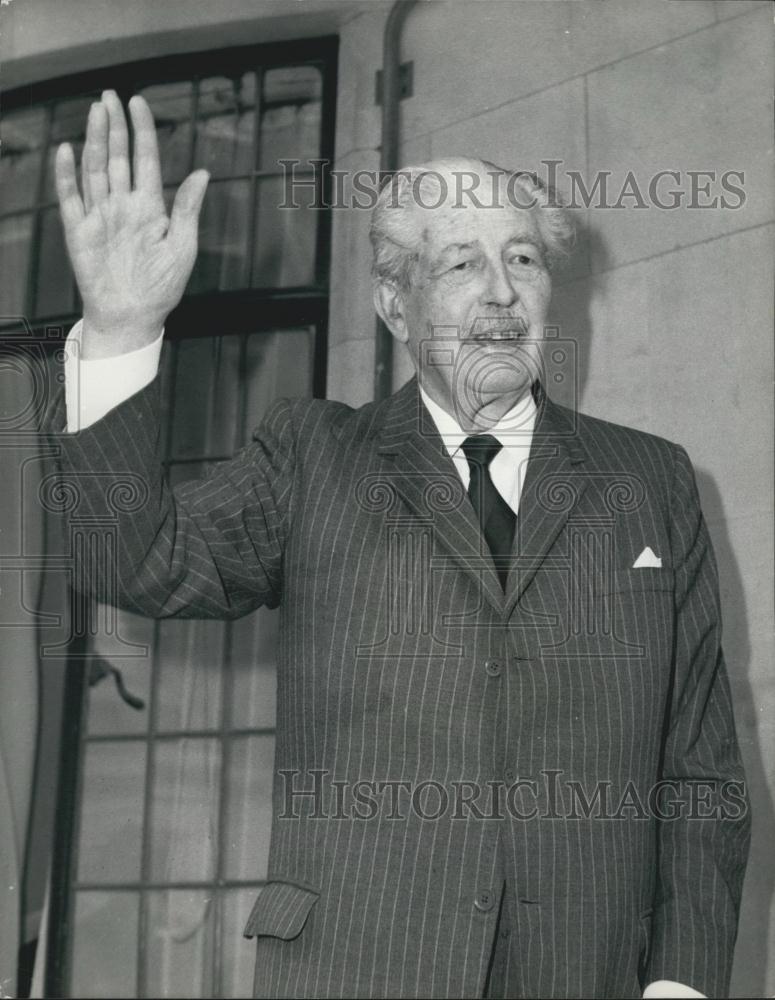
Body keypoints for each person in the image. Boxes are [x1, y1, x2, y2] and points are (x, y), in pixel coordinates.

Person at [49, 91, 750, 999]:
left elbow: (698, 768)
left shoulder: (651, 481)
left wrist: (683, 984)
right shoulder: (312, 457)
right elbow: (131, 558)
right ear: (394, 303)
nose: (501, 291)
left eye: (523, 258)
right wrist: (120, 331)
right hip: (356, 967)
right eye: (462, 263)